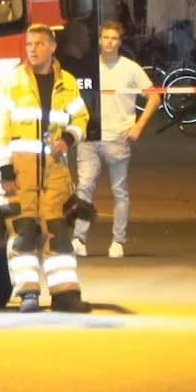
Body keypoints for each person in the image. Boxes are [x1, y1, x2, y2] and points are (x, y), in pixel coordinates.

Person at [0, 23, 89, 313]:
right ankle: (28, 293)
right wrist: (5, 171)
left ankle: (65, 294)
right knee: (23, 233)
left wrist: (69, 137)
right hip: (19, 174)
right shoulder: (10, 83)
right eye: (29, 45)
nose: (33, 50)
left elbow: (81, 118)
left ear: (52, 47)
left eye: (39, 44)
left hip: (55, 173)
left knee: (59, 233)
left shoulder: (67, 82)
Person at [74, 21, 153, 258]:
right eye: (106, 37)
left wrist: (138, 125)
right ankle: (79, 238)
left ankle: (118, 240)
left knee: (119, 191)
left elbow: (154, 97)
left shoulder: (131, 68)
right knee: (84, 188)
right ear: (99, 40)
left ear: (120, 42)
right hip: (89, 136)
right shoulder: (88, 67)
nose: (110, 42)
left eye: (114, 38)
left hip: (118, 137)